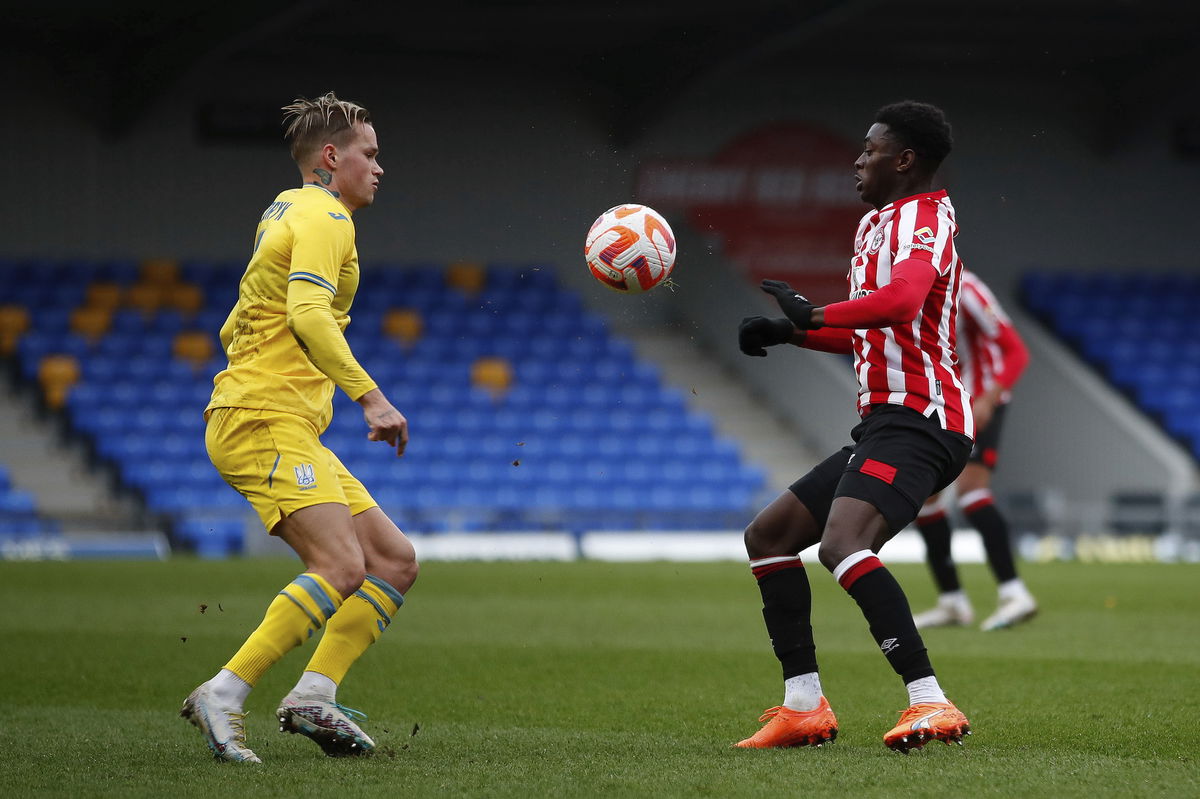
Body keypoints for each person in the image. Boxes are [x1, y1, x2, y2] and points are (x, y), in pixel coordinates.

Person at [181, 92, 419, 763]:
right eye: (369, 154)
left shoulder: (290, 207)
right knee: (341, 564)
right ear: (331, 156)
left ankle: (313, 692)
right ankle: (224, 693)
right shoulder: (325, 216)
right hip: (262, 415)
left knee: (393, 560)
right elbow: (309, 313)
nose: (379, 168)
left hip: (285, 420)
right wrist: (371, 398)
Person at [734, 101, 974, 753]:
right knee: (771, 535)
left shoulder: (925, 219)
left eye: (869, 150)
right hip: (884, 422)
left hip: (923, 419)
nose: (857, 162)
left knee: (842, 543)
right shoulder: (877, 225)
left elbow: (899, 304)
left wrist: (809, 315)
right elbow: (868, 333)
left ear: (904, 159)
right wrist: (791, 333)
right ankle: (803, 706)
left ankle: (931, 701)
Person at [912, 268, 1037, 631]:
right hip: (947, 401)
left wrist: (987, 400)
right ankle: (952, 601)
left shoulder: (968, 289)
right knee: (927, 500)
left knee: (971, 491)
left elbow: (1016, 352)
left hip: (981, 399)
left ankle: (1015, 592)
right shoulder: (912, 286)